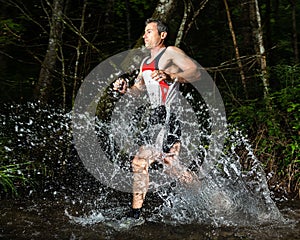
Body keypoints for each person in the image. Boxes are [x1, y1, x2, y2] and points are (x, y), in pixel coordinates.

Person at [113, 18, 201, 227]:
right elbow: (138, 92)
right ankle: (211, 197)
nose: (145, 35)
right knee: (172, 168)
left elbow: (195, 73)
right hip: (156, 117)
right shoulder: (145, 64)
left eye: (149, 31)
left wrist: (172, 75)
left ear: (162, 35)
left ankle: (135, 215)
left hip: (170, 115)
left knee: (139, 162)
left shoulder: (170, 52)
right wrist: (125, 89)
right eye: (144, 32)